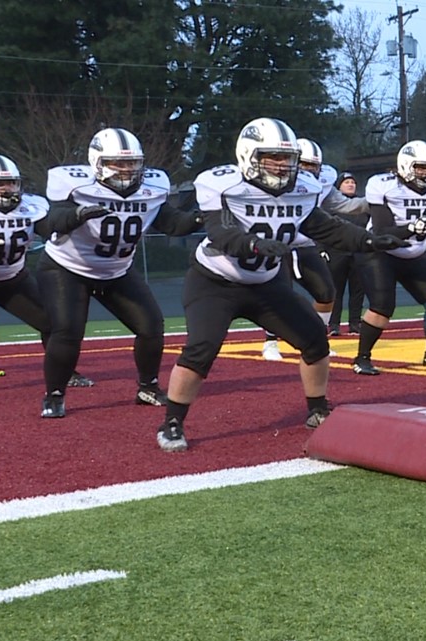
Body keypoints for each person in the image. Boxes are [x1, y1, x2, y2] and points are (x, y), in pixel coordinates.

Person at [156, 118, 406, 452]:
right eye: (272, 156)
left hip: (265, 282)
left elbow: (327, 227)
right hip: (215, 281)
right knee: (201, 349)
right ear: (249, 155)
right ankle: (172, 421)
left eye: (287, 157)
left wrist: (370, 241)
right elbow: (221, 232)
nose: (282, 164)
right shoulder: (225, 185)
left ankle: (317, 409)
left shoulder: (301, 188)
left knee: (315, 340)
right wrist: (255, 245)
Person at [38, 128, 202, 418]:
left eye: (133, 163)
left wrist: (201, 217)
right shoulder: (75, 184)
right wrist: (76, 215)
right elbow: (51, 221)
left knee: (151, 325)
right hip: (68, 267)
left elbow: (173, 224)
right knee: (68, 331)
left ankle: (148, 387)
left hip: (116, 270)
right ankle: (54, 395)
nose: (127, 170)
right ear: (98, 162)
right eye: (118, 163)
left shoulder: (153, 187)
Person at [350, 140, 426, 375]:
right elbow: (381, 230)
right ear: (406, 165)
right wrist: (411, 228)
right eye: (421, 167)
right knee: (382, 307)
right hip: (379, 252)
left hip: (414, 253)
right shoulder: (383, 185)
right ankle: (362, 358)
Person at [260, 139, 368, 361]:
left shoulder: (325, 179)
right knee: (280, 292)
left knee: (327, 292)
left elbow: (341, 205)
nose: (310, 170)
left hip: (306, 243)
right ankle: (270, 342)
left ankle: (317, 338)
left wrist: (374, 202)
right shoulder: (271, 178)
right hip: (276, 243)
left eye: (314, 165)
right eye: (305, 165)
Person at [0, 154, 93, 385]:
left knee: (53, 322)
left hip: (13, 278)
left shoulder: (32, 205)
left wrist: (74, 219)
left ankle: (63, 373)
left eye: (11, 182)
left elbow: (50, 229)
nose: (6, 189)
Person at [324, 172, 367, 335]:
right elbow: (322, 229)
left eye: (353, 182)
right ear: (338, 186)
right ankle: (334, 324)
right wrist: (322, 249)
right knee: (336, 290)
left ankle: (355, 323)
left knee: (358, 290)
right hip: (337, 252)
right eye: (347, 182)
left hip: (358, 253)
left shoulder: (363, 206)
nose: (351, 184)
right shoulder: (330, 206)